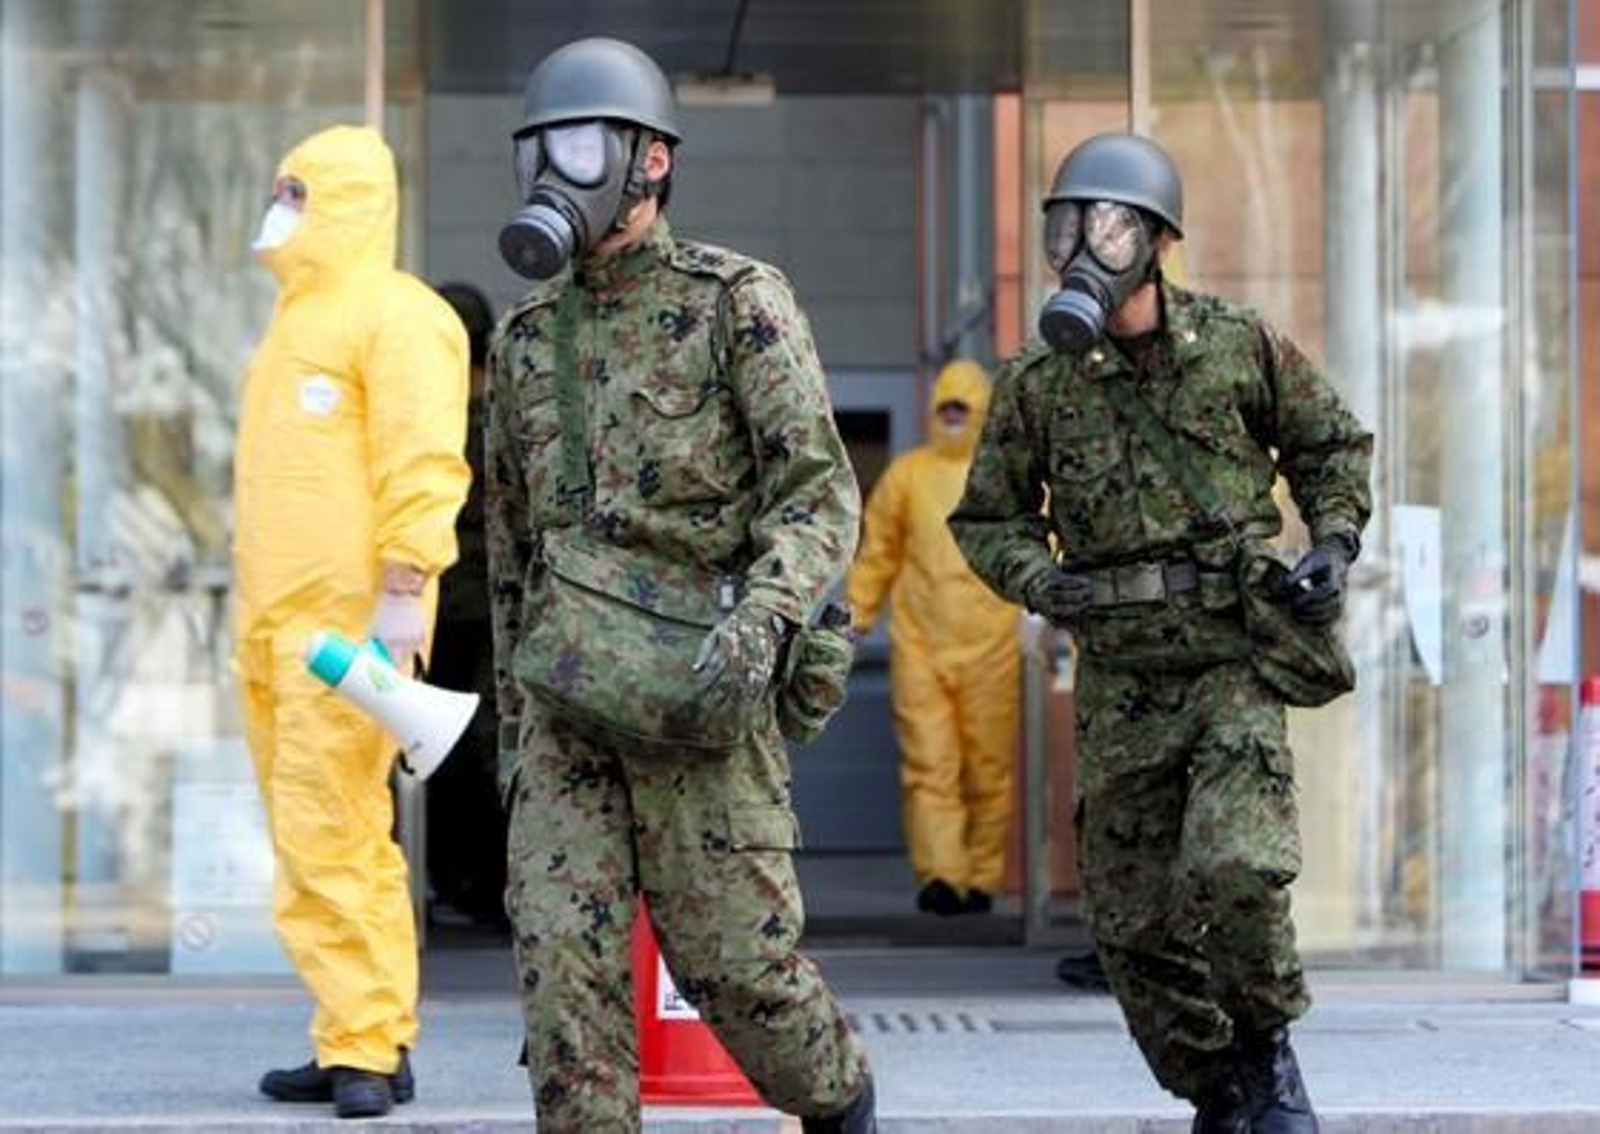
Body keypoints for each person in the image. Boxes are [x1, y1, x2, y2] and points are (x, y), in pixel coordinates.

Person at [484, 37, 876, 1134]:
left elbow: (817, 494)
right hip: (565, 710)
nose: (555, 172)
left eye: (580, 147)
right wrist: (515, 744)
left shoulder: (735, 303)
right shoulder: (522, 340)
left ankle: (841, 1103)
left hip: (701, 692)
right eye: (540, 151)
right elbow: (511, 555)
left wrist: (767, 618)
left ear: (650, 160)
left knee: (737, 971)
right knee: (563, 978)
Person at [949, 132, 1372, 1133]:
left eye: (1105, 228)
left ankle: (1267, 1055)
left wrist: (1333, 542)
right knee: (1130, 929)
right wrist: (1042, 580)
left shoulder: (1235, 344)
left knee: (1235, 868)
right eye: (1065, 228)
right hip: (1122, 678)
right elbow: (988, 518)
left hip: (1231, 659)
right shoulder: (1037, 382)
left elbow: (1329, 444)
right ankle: (1218, 1090)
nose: (1080, 248)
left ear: (1157, 242)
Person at [235, 125, 471, 1119]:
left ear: (342, 199)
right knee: (314, 836)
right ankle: (356, 1032)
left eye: (297, 193)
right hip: (276, 629)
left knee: (334, 830)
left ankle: (368, 1047)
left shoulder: (398, 315)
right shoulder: (294, 324)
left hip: (347, 629)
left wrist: (405, 586)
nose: (281, 211)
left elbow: (423, 458)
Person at [846, 358, 1020, 918]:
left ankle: (982, 877)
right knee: (930, 767)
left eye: (962, 409)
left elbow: (1044, 546)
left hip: (993, 647)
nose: (952, 417)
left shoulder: (1004, 475)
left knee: (988, 770)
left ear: (982, 412)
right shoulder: (908, 475)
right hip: (921, 647)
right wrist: (853, 620)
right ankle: (942, 876)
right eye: (945, 407)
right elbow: (878, 553)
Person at [425, 281, 508, 931]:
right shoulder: (506, 412)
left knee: (458, 749)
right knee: (470, 748)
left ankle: (472, 881)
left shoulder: (448, 418)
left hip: (458, 608)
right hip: (471, 608)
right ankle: (472, 883)